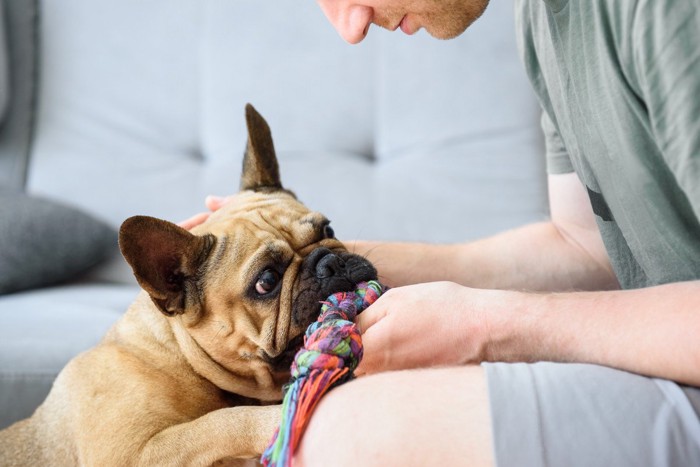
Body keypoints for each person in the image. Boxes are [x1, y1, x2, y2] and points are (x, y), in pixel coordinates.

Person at [181, 1, 700, 465]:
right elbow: (585, 248)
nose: (350, 27)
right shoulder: (547, 17)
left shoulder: (666, 15)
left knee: (350, 434)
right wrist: (307, 257)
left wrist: (488, 325)